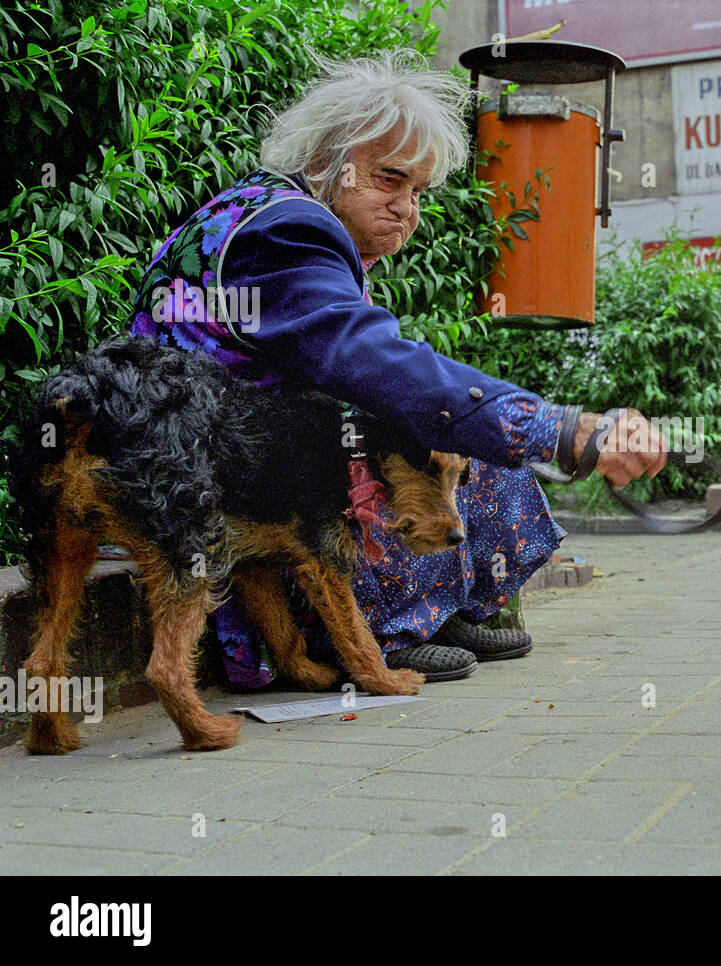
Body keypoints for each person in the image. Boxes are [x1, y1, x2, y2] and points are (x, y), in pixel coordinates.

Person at [126, 50, 666, 688]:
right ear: (329, 161)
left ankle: (438, 609)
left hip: (233, 447)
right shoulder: (287, 230)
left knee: (466, 433)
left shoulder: (284, 215)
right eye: (389, 180)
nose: (408, 208)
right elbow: (370, 362)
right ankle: (377, 633)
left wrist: (523, 422)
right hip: (207, 474)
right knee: (436, 433)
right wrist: (563, 428)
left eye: (417, 192)